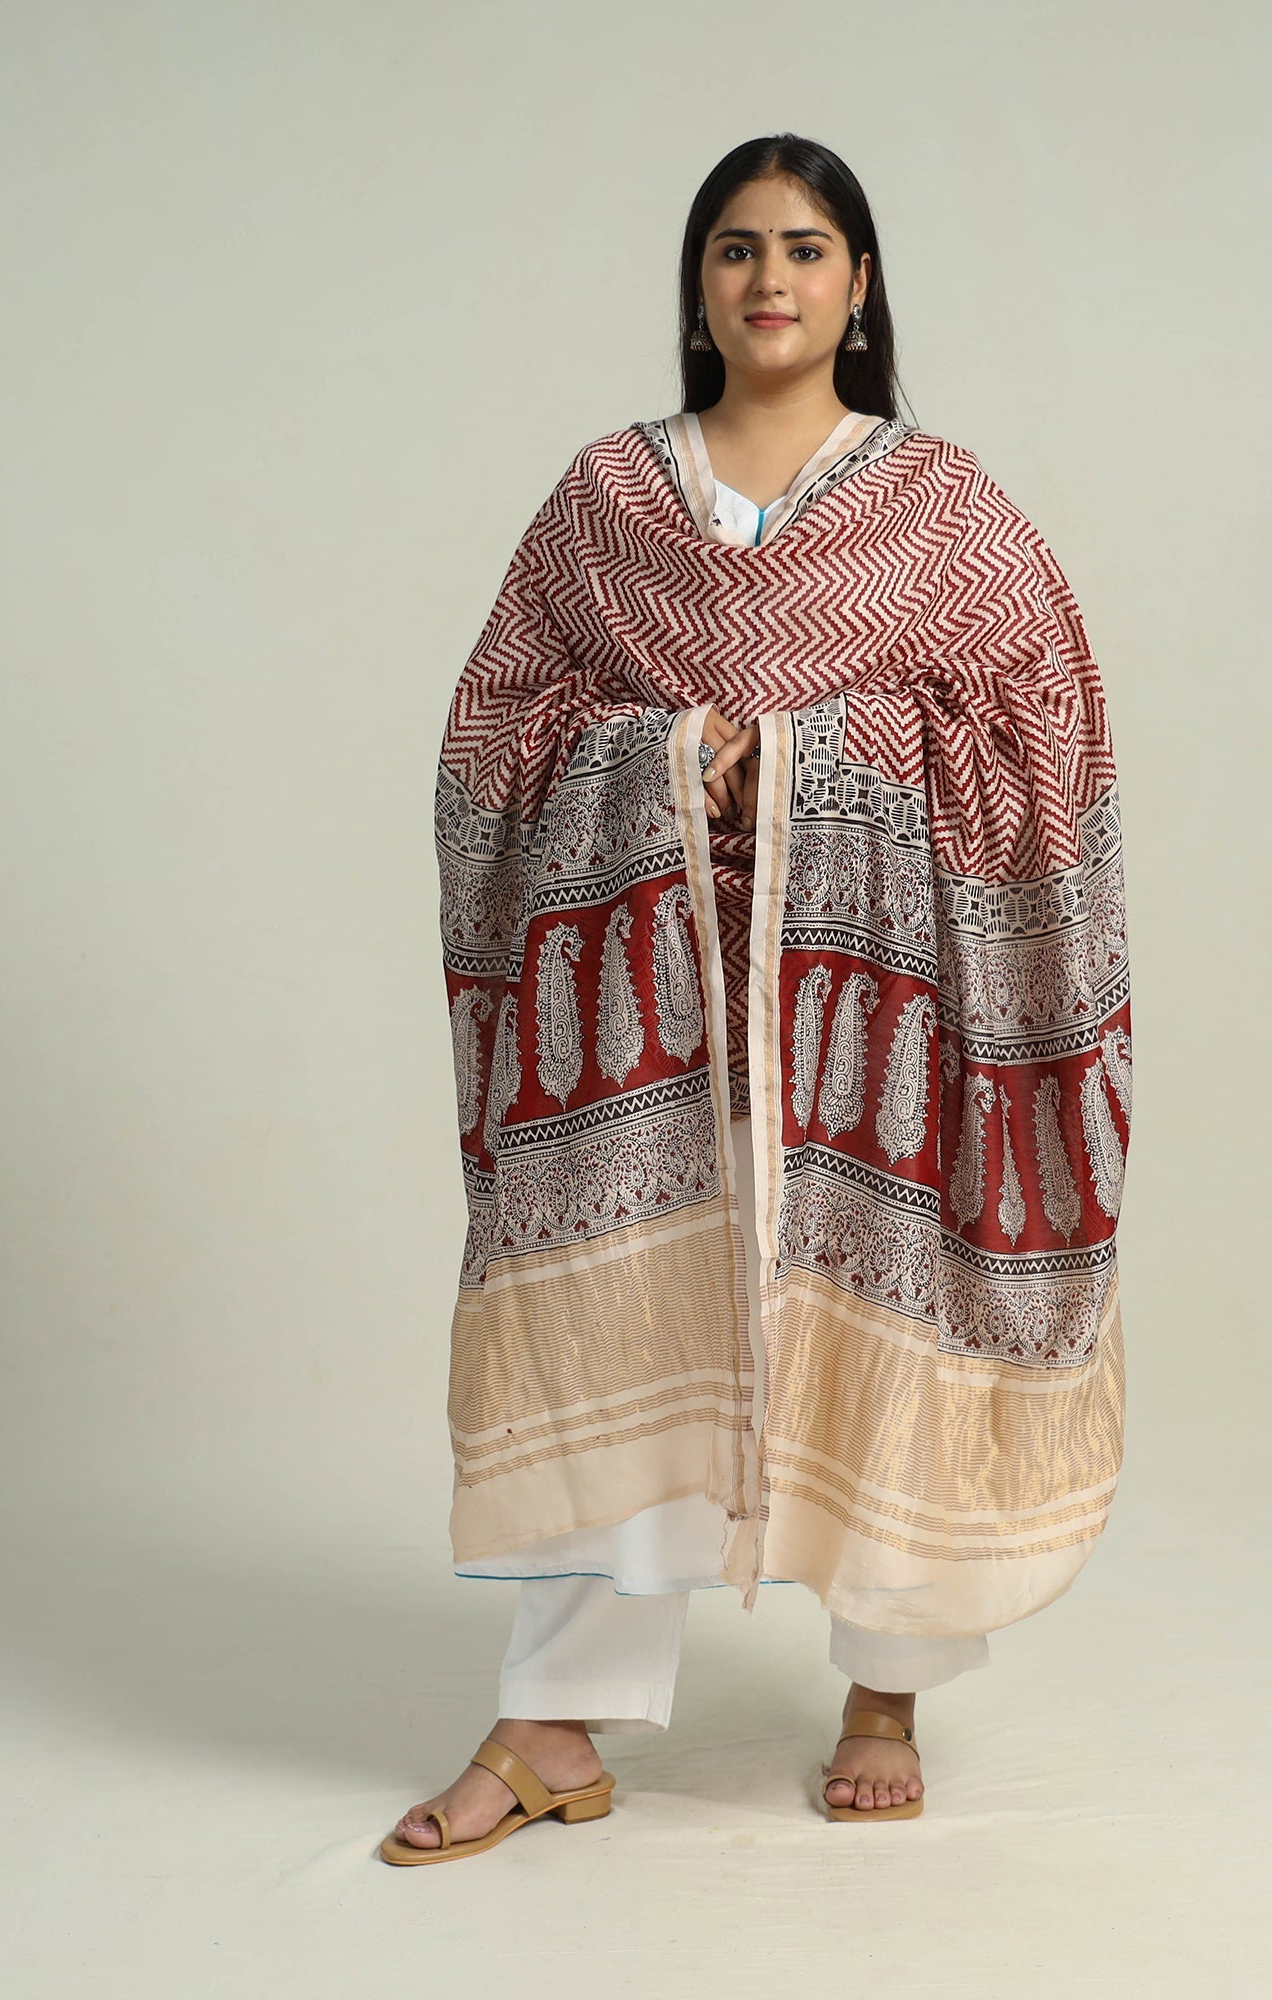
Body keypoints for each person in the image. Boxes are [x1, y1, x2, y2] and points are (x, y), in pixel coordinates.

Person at [384, 133, 1132, 1862]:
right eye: (735, 247)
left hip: (875, 997)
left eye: (804, 247)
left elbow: (1043, 723)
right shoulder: (606, 503)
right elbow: (496, 725)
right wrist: (664, 758)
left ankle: (886, 1688)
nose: (769, 277)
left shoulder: (941, 508)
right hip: (647, 1001)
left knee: (885, 1308)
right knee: (622, 1310)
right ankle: (551, 1718)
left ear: (859, 287)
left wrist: (808, 758)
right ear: (698, 285)